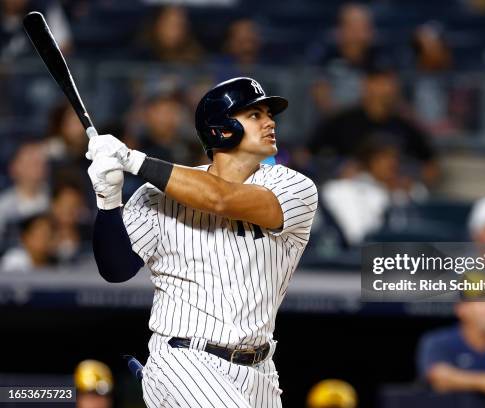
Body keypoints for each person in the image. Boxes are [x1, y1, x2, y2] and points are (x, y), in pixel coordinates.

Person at [86, 77, 318, 407]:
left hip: (261, 370)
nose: (269, 122)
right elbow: (116, 269)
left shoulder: (293, 186)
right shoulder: (155, 196)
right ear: (221, 131)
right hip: (184, 361)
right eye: (254, 115)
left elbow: (219, 198)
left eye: (269, 114)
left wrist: (133, 160)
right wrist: (108, 201)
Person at [309, 65, 440, 188]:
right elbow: (307, 157)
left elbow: (431, 167)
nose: (385, 88)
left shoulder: (405, 127)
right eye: (379, 82)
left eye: (389, 82)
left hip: (393, 195)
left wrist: (410, 178)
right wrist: (336, 172)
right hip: (349, 193)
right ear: (366, 85)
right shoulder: (341, 121)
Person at [0, 142, 49, 250]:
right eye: (31, 162)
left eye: (40, 162)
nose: (37, 166)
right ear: (14, 168)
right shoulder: (3, 206)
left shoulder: (55, 199)